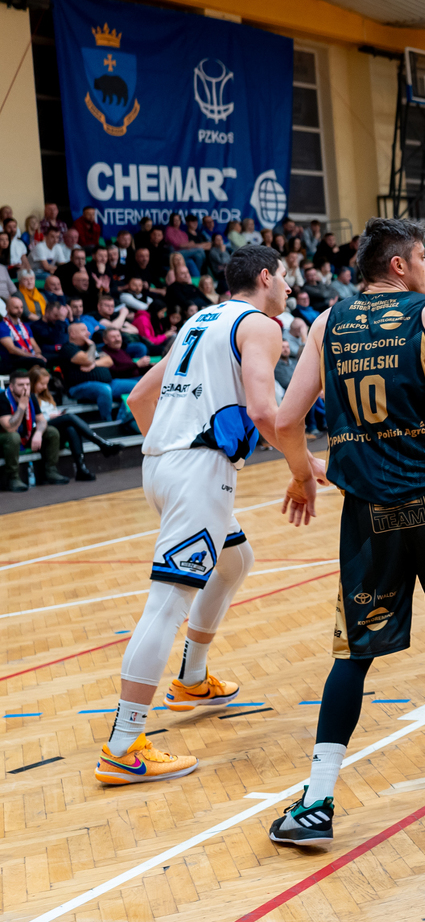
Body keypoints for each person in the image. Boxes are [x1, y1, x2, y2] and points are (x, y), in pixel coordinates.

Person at [266, 218, 425, 846]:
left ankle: (317, 803)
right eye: (423, 257)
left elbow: (284, 419)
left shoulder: (326, 323)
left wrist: (305, 474)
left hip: (366, 513)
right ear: (398, 266)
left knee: (353, 655)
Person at [93, 246, 313, 787]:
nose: (289, 287)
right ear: (266, 277)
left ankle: (192, 679)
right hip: (197, 471)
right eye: (285, 277)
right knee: (167, 604)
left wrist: (170, 452)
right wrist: (304, 469)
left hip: (161, 465)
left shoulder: (199, 321)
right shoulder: (260, 326)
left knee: (235, 560)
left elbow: (140, 397)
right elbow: (264, 411)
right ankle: (123, 746)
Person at [27, 364, 119, 480]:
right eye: (42, 384)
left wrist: (56, 414)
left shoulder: (45, 396)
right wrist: (51, 416)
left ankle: (81, 468)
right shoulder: (28, 397)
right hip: (40, 430)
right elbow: (33, 419)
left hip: (54, 428)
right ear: (32, 382)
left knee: (71, 428)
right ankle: (101, 443)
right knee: (69, 418)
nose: (45, 387)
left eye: (46, 384)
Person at [2, 369, 71, 490]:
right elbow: (10, 428)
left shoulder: (31, 397)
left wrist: (38, 433)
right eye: (21, 385)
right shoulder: (3, 399)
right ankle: (13, 478)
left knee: (51, 432)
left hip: (25, 435)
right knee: (13, 437)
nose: (25, 388)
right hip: (5, 439)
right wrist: (21, 407)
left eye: (27, 384)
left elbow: (42, 420)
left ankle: (51, 471)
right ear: (11, 387)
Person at [0, 295, 47, 372]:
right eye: (16, 308)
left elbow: (34, 345)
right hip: (11, 360)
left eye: (21, 307)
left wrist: (38, 354)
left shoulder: (25, 326)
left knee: (51, 357)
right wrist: (33, 356)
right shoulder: (2, 326)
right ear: (7, 309)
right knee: (39, 362)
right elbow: (12, 349)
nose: (19, 310)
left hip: (27, 356)